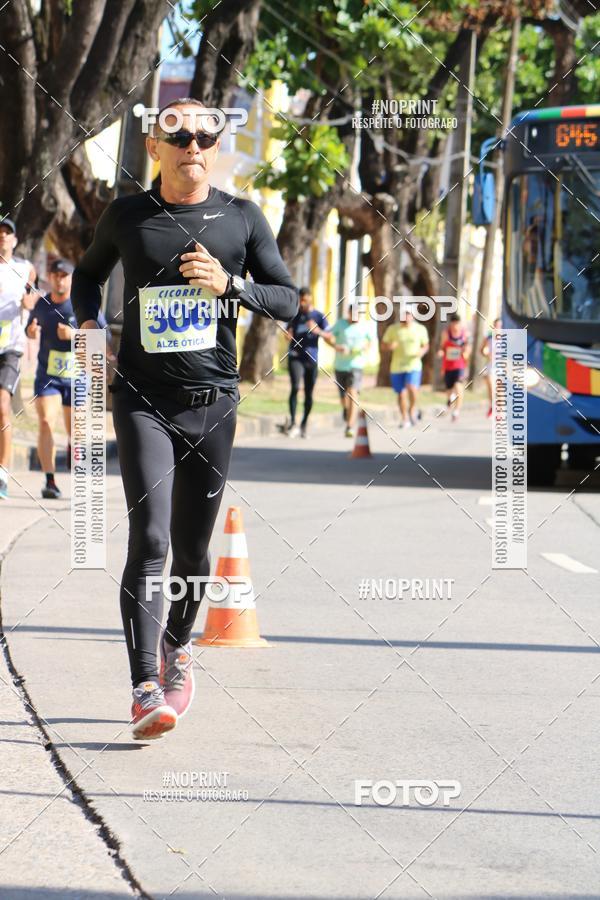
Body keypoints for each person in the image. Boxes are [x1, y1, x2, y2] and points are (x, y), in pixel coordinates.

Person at [72, 98, 297, 741]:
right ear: (155, 147)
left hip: (213, 404)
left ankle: (176, 650)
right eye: (180, 136)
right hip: (142, 399)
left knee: (194, 552)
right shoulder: (128, 215)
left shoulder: (241, 218)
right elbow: (87, 277)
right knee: (150, 539)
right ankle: (145, 685)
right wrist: (89, 325)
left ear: (216, 148)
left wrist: (232, 286)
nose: (193, 146)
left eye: (206, 136)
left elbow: (286, 298)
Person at [26, 260, 108, 498]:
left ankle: (74, 446)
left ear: (71, 278)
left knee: (77, 430)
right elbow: (30, 328)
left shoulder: (82, 306)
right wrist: (30, 332)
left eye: (64, 275)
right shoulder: (42, 305)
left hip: (78, 377)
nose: (59, 279)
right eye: (55, 275)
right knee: (45, 422)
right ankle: (50, 481)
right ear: (49, 278)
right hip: (49, 376)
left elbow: (102, 340)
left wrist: (74, 335)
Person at [0, 218, 36, 499]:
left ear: (15, 240)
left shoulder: (25, 269)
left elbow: (33, 297)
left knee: (2, 405)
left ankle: (3, 471)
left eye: (7, 234)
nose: (2, 237)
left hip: (10, 347)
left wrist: (29, 304)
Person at [284, 287, 329, 438]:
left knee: (309, 392)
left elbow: (330, 336)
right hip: (295, 356)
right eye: (300, 300)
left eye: (304, 300)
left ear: (310, 298)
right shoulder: (294, 316)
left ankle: (303, 423)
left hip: (311, 358)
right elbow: (287, 334)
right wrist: (288, 336)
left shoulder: (319, 316)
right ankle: (293, 423)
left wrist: (317, 331)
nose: (302, 303)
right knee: (295, 387)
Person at [325, 302, 373, 438]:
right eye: (354, 314)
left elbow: (370, 341)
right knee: (343, 396)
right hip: (340, 365)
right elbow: (327, 337)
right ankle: (346, 409)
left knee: (352, 392)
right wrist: (336, 346)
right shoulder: (340, 324)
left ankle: (350, 426)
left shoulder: (364, 326)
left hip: (356, 364)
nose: (356, 317)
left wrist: (365, 347)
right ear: (349, 313)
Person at [381, 309, 429, 428]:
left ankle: (412, 410)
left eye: (409, 318)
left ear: (412, 317)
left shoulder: (420, 329)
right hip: (397, 366)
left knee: (412, 388)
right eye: (404, 318)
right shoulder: (393, 329)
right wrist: (389, 346)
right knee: (401, 393)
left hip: (414, 365)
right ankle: (404, 418)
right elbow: (383, 345)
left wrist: (422, 351)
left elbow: (426, 345)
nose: (406, 320)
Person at [438, 313, 470, 421]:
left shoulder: (464, 333)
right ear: (451, 324)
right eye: (453, 323)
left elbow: (467, 347)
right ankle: (450, 401)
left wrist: (466, 352)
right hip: (448, 365)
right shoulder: (446, 333)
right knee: (449, 391)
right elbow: (442, 347)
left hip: (459, 365)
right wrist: (441, 352)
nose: (455, 326)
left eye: (457, 323)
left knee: (458, 387)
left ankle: (456, 411)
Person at [480, 316, 501, 418]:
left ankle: (499, 412)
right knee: (491, 388)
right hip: (491, 365)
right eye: (496, 326)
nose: (498, 328)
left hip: (503, 367)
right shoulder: (489, 337)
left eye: (500, 326)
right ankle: (492, 406)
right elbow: (482, 350)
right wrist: (486, 353)